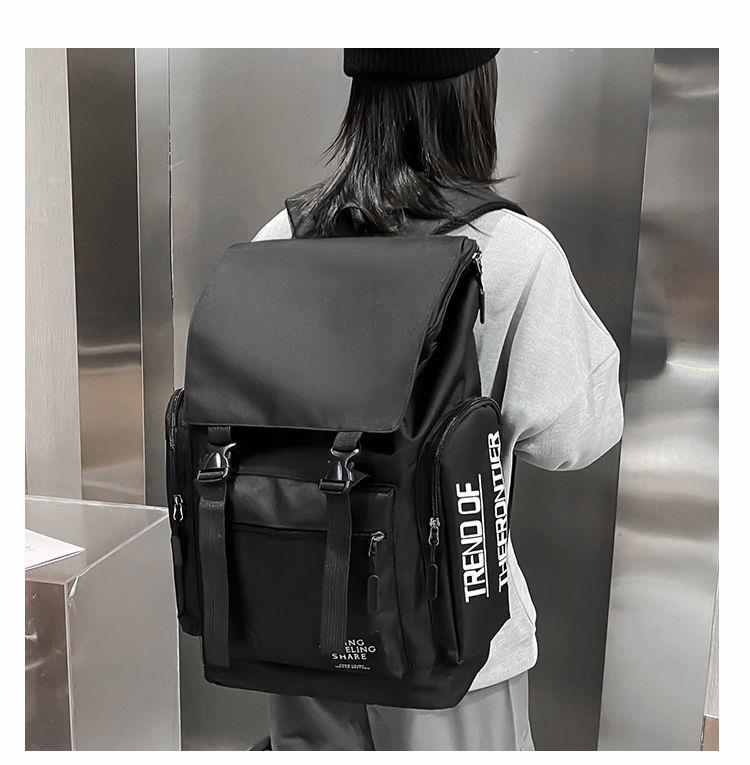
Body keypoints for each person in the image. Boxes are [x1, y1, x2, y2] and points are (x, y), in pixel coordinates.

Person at [252, 48, 624, 752]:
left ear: (362, 98)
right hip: (455, 641)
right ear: (473, 97)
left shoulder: (282, 235)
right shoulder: (511, 249)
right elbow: (577, 437)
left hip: (305, 626)